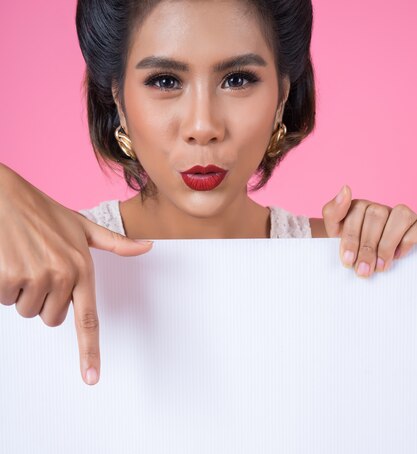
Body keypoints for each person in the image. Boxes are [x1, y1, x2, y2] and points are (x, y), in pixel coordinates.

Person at [0, 0, 416, 387]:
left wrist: (395, 262)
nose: (203, 125)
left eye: (237, 79)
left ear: (282, 96)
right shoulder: (34, 258)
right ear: (118, 100)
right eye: (165, 81)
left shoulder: (341, 259)